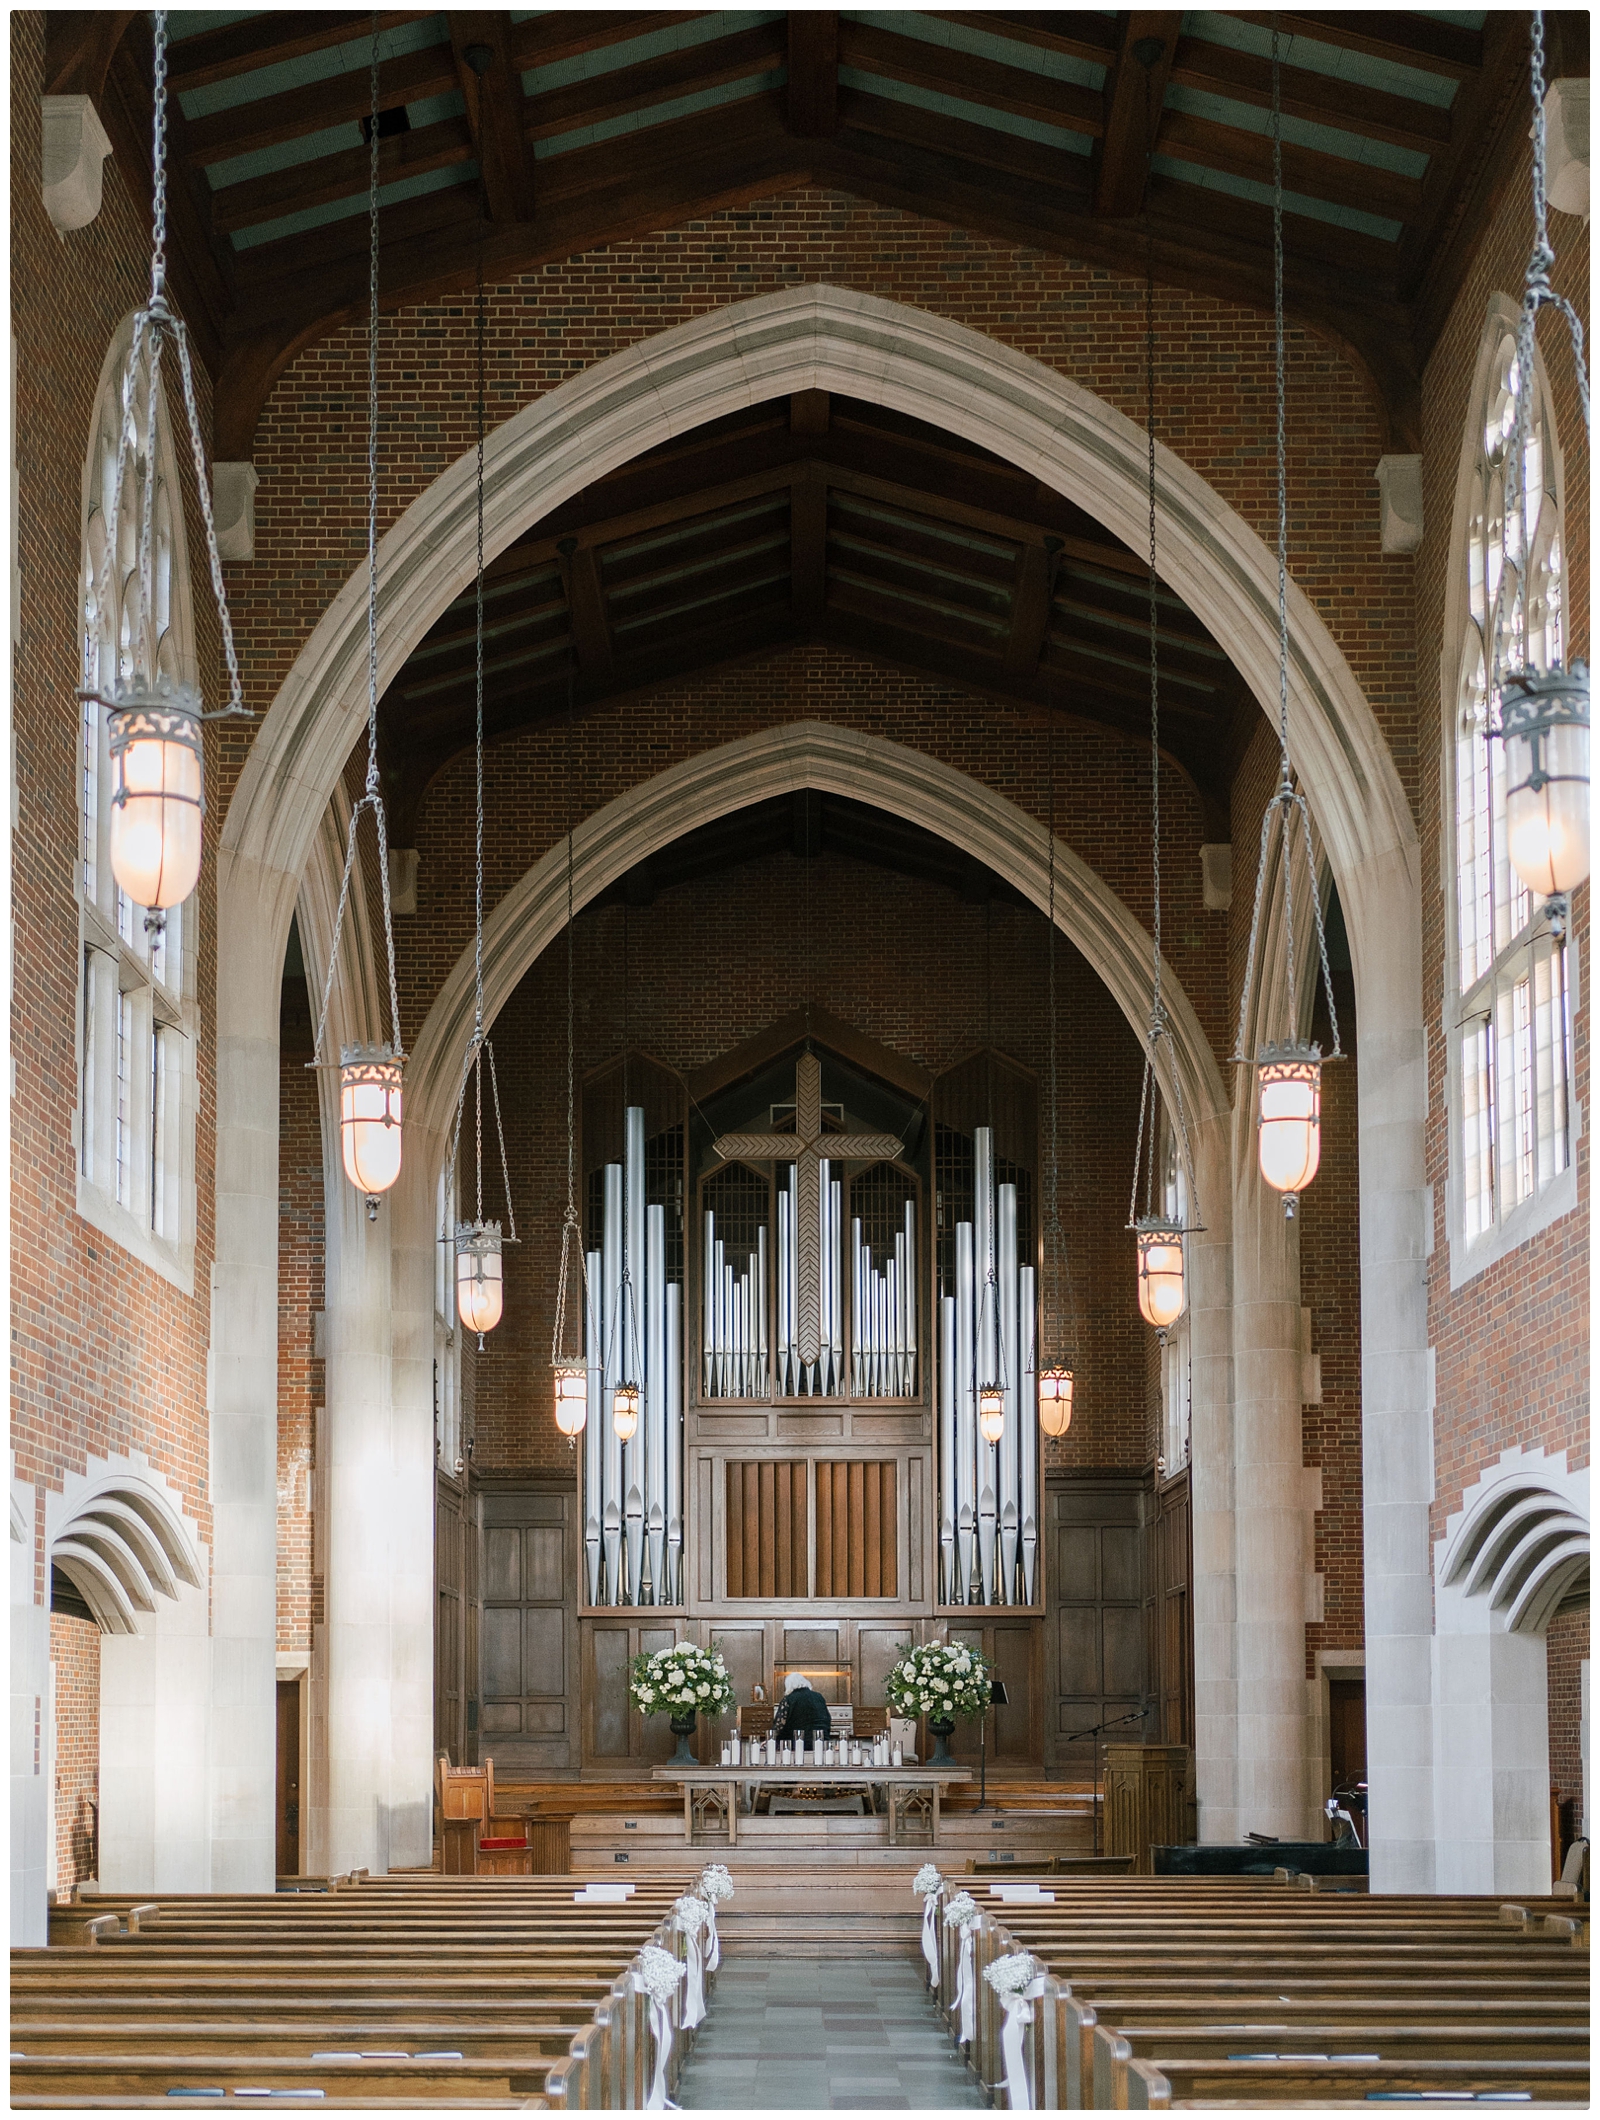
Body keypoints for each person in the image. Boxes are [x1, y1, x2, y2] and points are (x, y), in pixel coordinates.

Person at [771, 1670, 831, 1744]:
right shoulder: (819, 1697)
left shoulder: (788, 1699)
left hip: (797, 1741)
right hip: (820, 1740)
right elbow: (827, 1719)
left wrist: (771, 1738)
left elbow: (779, 1724)